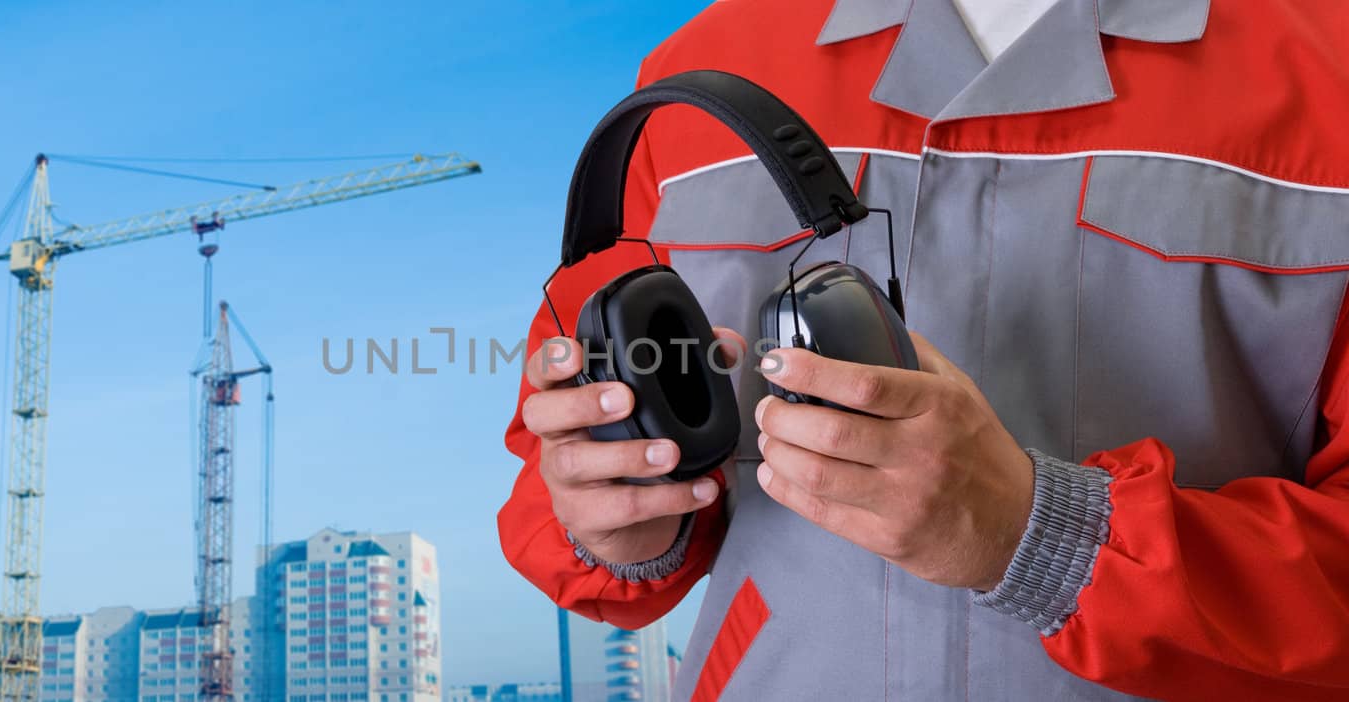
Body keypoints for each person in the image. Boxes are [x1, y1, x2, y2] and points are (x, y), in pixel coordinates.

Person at [497, 0, 1349, 700]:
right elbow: (557, 475)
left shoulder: (1328, 67)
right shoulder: (699, 74)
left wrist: (1046, 537)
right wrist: (619, 521)